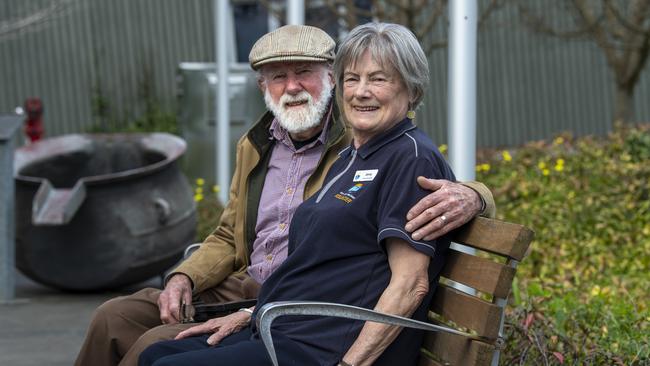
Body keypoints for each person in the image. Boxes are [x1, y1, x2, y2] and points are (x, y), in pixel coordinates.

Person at [74, 24, 495, 366]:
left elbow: (421, 193)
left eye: (304, 74)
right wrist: (185, 276)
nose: (292, 87)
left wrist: (475, 196)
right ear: (263, 86)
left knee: (155, 350)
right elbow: (227, 234)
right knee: (114, 318)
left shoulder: (360, 138)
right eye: (279, 77)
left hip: (303, 313)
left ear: (327, 78)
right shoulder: (264, 145)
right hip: (265, 297)